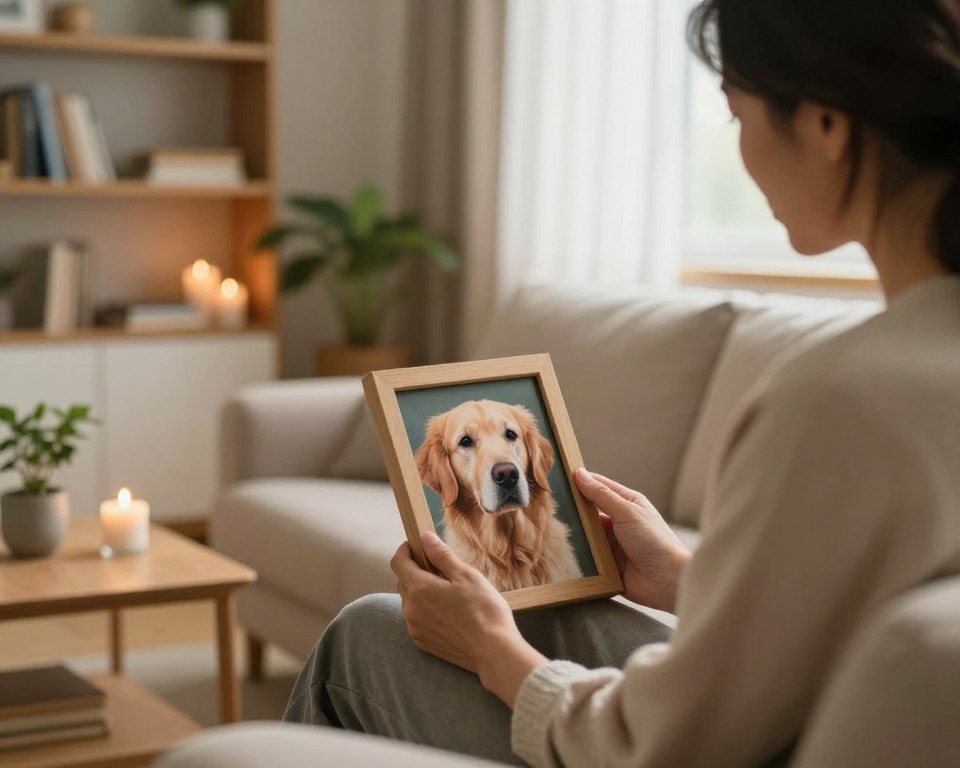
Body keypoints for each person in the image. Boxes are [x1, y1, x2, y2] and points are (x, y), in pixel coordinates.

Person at [283, 1, 960, 766]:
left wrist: (494, 652)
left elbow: (658, 749)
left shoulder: (837, 401)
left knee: (362, 637)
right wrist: (686, 580)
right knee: (566, 614)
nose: (740, 149)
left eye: (738, 116)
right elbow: (859, 623)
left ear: (827, 125)